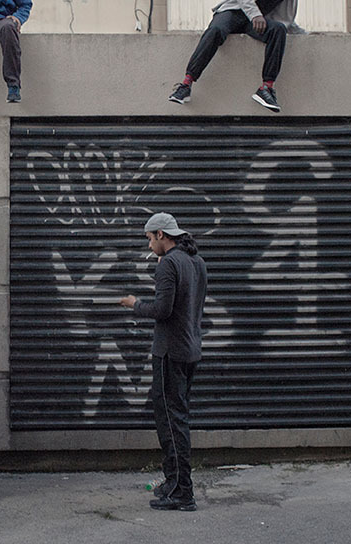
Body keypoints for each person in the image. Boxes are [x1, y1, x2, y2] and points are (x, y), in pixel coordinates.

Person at [118, 213, 207, 512]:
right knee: (177, 418)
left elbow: (162, 309)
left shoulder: (169, 264)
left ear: (160, 235)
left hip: (169, 352)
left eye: (149, 238)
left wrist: (135, 304)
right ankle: (173, 482)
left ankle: (183, 492)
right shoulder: (196, 262)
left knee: (171, 422)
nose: (148, 244)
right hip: (191, 349)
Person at [168, 0, 320, 113]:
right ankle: (185, 85)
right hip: (234, 12)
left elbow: (287, 22)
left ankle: (266, 88)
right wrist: (255, 13)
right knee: (216, 31)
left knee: (278, 30)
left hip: (252, 24)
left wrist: (309, 35)